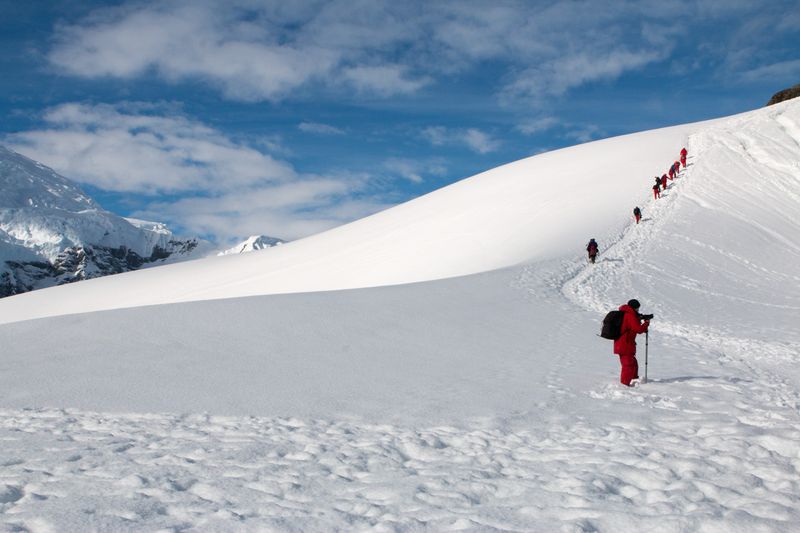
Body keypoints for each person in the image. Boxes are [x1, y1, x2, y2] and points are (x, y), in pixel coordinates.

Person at [614, 299, 650, 386]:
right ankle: (624, 385)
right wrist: (646, 323)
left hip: (623, 344)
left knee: (633, 362)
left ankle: (634, 379)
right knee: (628, 365)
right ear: (634, 308)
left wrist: (639, 318)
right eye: (637, 308)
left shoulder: (626, 314)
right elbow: (638, 329)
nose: (638, 310)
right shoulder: (629, 316)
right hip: (625, 345)